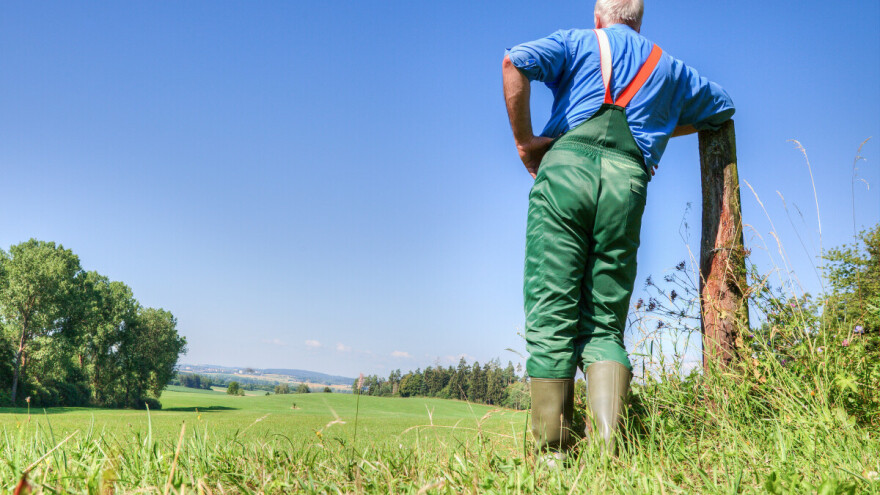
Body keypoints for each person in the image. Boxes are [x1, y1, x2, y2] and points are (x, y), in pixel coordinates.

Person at [502, 0, 734, 460]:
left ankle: (553, 454)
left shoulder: (578, 41)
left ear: (598, 16)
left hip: (565, 175)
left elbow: (515, 61)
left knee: (552, 309)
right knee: (605, 322)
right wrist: (662, 121)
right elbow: (722, 108)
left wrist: (526, 142)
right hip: (627, 185)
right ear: (639, 20)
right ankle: (608, 452)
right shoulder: (670, 70)